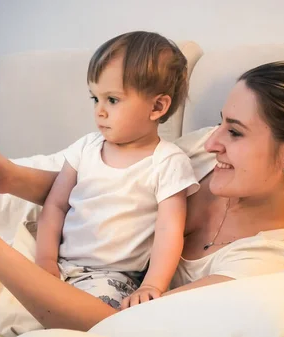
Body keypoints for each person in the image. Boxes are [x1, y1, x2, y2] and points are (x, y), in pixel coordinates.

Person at [0, 61, 284, 331]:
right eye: (220, 122)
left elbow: (110, 323)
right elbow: (101, 189)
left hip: (49, 280)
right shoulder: (209, 159)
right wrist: (5, 178)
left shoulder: (262, 264)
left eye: (234, 131)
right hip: (48, 237)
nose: (210, 142)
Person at [30, 31, 198, 309]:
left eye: (113, 100)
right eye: (95, 98)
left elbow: (169, 231)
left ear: (157, 106)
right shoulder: (85, 148)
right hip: (60, 264)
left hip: (114, 277)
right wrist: (46, 260)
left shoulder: (167, 162)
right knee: (5, 288)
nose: (99, 111)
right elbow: (56, 206)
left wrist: (152, 285)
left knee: (85, 312)